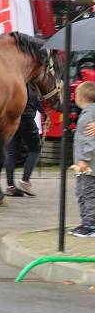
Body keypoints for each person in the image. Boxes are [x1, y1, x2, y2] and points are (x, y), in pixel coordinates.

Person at [5, 86, 43, 197]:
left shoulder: (15, 86)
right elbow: (37, 103)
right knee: (35, 149)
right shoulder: (30, 88)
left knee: (12, 152)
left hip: (13, 120)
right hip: (27, 120)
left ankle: (10, 186)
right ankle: (25, 181)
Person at [70, 81, 95, 237]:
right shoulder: (90, 113)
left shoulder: (88, 116)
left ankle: (90, 225)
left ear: (79, 97)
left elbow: (89, 141)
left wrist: (84, 160)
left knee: (87, 193)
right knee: (82, 193)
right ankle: (86, 223)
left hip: (88, 166)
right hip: (85, 166)